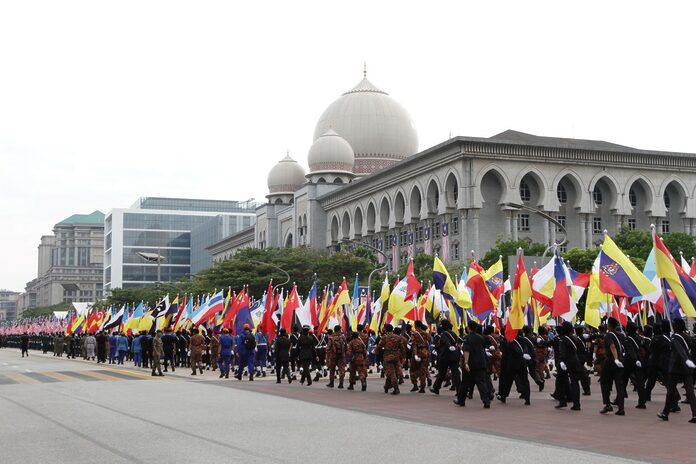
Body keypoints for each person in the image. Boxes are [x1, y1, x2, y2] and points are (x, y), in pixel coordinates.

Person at [658, 318, 696, 423]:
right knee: (690, 391)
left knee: (670, 391)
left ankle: (665, 413)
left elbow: (680, 350)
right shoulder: (687, 337)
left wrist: (686, 359)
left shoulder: (675, 337)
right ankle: (695, 414)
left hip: (676, 368)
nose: (672, 326)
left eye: (674, 324)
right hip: (687, 368)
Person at [457, 320, 490, 408]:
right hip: (481, 362)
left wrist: (466, 362)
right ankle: (486, 401)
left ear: (469, 328)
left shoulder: (467, 338)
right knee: (481, 383)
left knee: (465, 383)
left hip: (471, 363)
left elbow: (466, 351)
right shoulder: (481, 337)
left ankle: (461, 401)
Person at [600, 317, 626, 415]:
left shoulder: (608, 335)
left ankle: (607, 404)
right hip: (621, 360)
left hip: (611, 360)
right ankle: (621, 408)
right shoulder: (621, 335)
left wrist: (615, 359)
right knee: (619, 384)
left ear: (609, 325)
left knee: (604, 382)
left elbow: (612, 346)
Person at [431, 319, 460, 397]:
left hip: (445, 356)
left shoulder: (443, 334)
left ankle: (436, 388)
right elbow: (457, 342)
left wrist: (449, 345)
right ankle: (459, 390)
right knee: (455, 373)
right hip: (454, 355)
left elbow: (445, 341)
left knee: (441, 373)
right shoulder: (453, 333)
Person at [556, 321, 582, 411]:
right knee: (575, 383)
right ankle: (576, 404)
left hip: (566, 362)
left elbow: (562, 352)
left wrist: (562, 362)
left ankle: (562, 401)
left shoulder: (563, 339)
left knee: (560, 382)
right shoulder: (576, 338)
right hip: (575, 361)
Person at [376, 324, 402, 395]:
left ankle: (396, 389)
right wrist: (403, 356)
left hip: (388, 357)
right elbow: (402, 348)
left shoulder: (384, 337)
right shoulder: (398, 337)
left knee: (391, 373)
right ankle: (386, 387)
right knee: (392, 372)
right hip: (396, 356)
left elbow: (379, 346)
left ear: (386, 330)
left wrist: (377, 353)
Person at [409, 321, 429, 393]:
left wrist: (415, 355)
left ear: (415, 325)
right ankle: (422, 387)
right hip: (425, 352)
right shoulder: (426, 334)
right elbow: (427, 343)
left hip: (418, 352)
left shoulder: (414, 334)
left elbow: (414, 345)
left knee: (412, 370)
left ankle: (415, 385)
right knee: (423, 370)